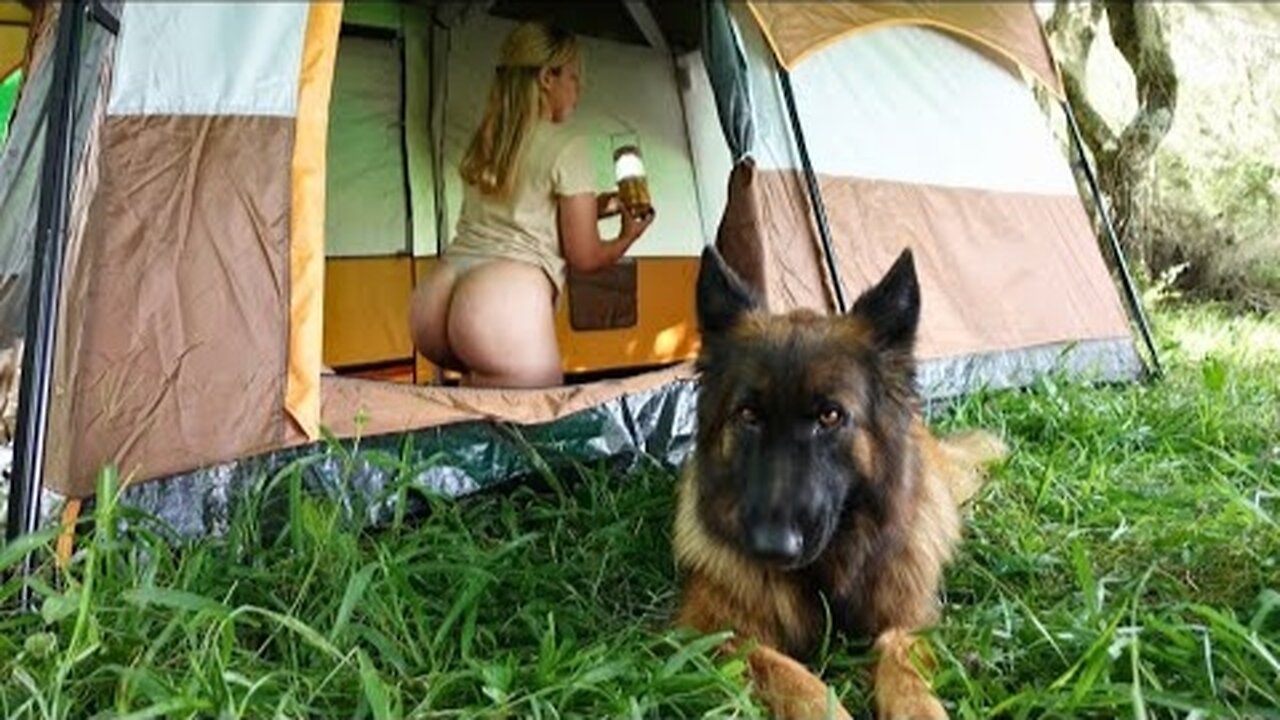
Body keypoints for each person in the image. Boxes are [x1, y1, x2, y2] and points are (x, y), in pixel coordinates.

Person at [409, 22, 655, 388]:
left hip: (436, 299)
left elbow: (525, 210)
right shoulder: (568, 146)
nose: (578, 88)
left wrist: (596, 206)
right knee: (533, 436)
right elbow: (584, 256)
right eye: (573, 77)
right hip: (499, 308)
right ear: (546, 78)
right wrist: (627, 236)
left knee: (472, 433)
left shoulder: (490, 138)